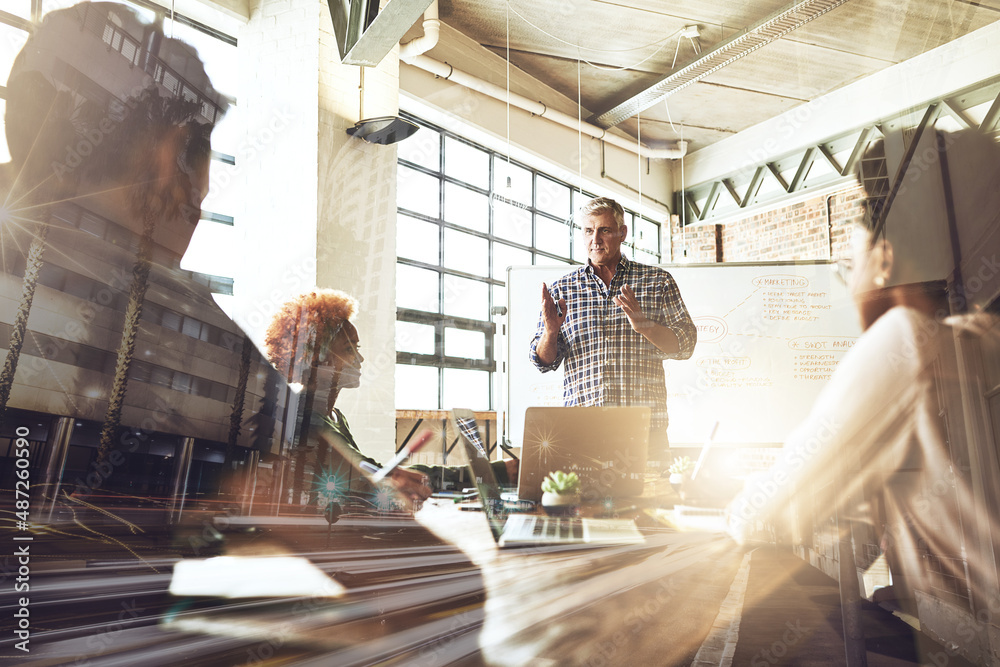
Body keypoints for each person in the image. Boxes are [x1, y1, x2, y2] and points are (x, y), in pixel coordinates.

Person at [728, 127, 1000, 611]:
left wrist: (737, 506)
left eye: (844, 263)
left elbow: (774, 499)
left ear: (884, 258)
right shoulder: (976, 337)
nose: (844, 276)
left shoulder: (906, 336)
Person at [264, 289, 516, 506]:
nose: (359, 359)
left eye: (357, 348)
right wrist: (496, 472)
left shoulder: (333, 416)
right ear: (320, 358)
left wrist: (494, 471)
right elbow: (372, 480)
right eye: (348, 349)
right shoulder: (306, 419)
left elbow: (374, 471)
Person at [529, 196, 697, 459]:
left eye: (604, 230)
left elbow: (686, 344)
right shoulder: (562, 289)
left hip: (645, 433)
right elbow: (543, 362)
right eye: (588, 230)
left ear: (622, 233)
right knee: (582, 503)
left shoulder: (657, 281)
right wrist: (550, 333)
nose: (595, 239)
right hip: (582, 433)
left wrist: (646, 327)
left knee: (653, 501)